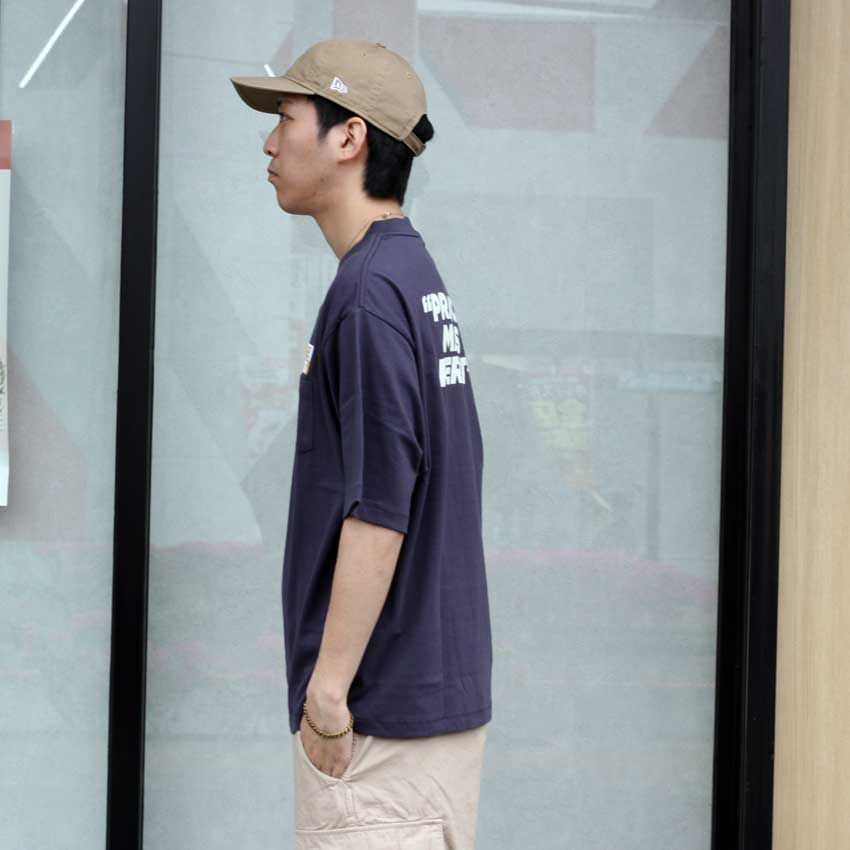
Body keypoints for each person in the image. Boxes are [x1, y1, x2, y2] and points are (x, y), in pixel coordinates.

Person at [230, 38, 493, 849]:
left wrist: (328, 695)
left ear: (348, 138)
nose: (270, 143)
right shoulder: (409, 276)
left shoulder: (370, 294)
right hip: (418, 714)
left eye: (287, 119)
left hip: (378, 730)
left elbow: (381, 510)